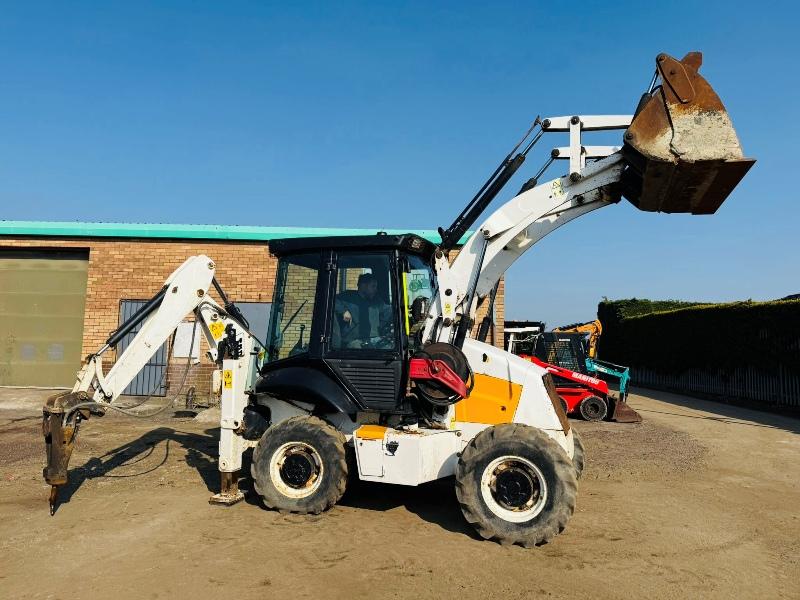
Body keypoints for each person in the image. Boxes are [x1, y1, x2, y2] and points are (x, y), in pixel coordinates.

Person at [334, 272, 393, 348]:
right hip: (354, 341)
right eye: (373, 286)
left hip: (374, 340)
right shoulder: (347, 297)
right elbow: (331, 301)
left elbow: (389, 311)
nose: (376, 290)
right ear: (363, 286)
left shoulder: (377, 301)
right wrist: (343, 311)